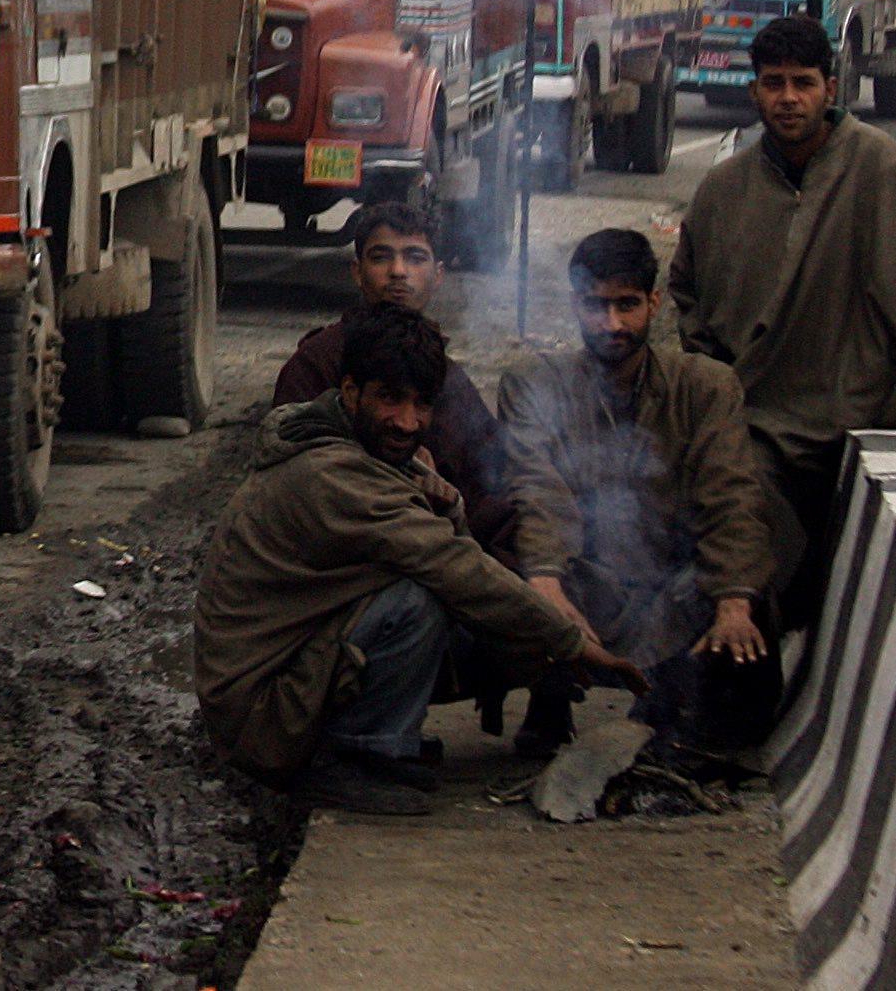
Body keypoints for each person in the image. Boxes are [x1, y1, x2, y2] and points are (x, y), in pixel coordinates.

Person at [196, 306, 644, 815]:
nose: (408, 422)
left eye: (421, 404)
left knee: (503, 606)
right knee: (419, 600)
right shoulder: (329, 474)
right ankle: (353, 761)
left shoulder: (361, 450)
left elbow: (461, 541)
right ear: (349, 392)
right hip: (260, 720)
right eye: (389, 399)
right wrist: (569, 642)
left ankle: (380, 743)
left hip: (289, 680)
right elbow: (453, 564)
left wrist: (446, 500)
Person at [669, 12, 896, 634]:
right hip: (755, 421)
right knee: (717, 544)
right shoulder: (726, 187)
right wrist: (716, 385)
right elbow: (687, 292)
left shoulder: (880, 170)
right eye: (773, 84)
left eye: (803, 82)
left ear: (831, 88)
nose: (788, 99)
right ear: (754, 92)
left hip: (850, 413)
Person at [498, 229, 774, 766]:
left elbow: (731, 495)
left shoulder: (706, 386)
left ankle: (684, 703)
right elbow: (536, 492)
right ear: (575, 303)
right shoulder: (535, 383)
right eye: (596, 306)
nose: (612, 324)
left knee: (744, 594)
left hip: (669, 577)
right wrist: (546, 588)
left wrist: (735, 602)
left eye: (627, 305)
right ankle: (550, 701)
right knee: (513, 570)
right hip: (583, 576)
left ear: (654, 302)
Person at [271, 202, 514, 556]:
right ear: (357, 271)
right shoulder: (317, 363)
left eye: (415, 258)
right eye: (381, 258)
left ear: (438, 275)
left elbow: (489, 480)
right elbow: (290, 480)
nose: (398, 272)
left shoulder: (448, 377)